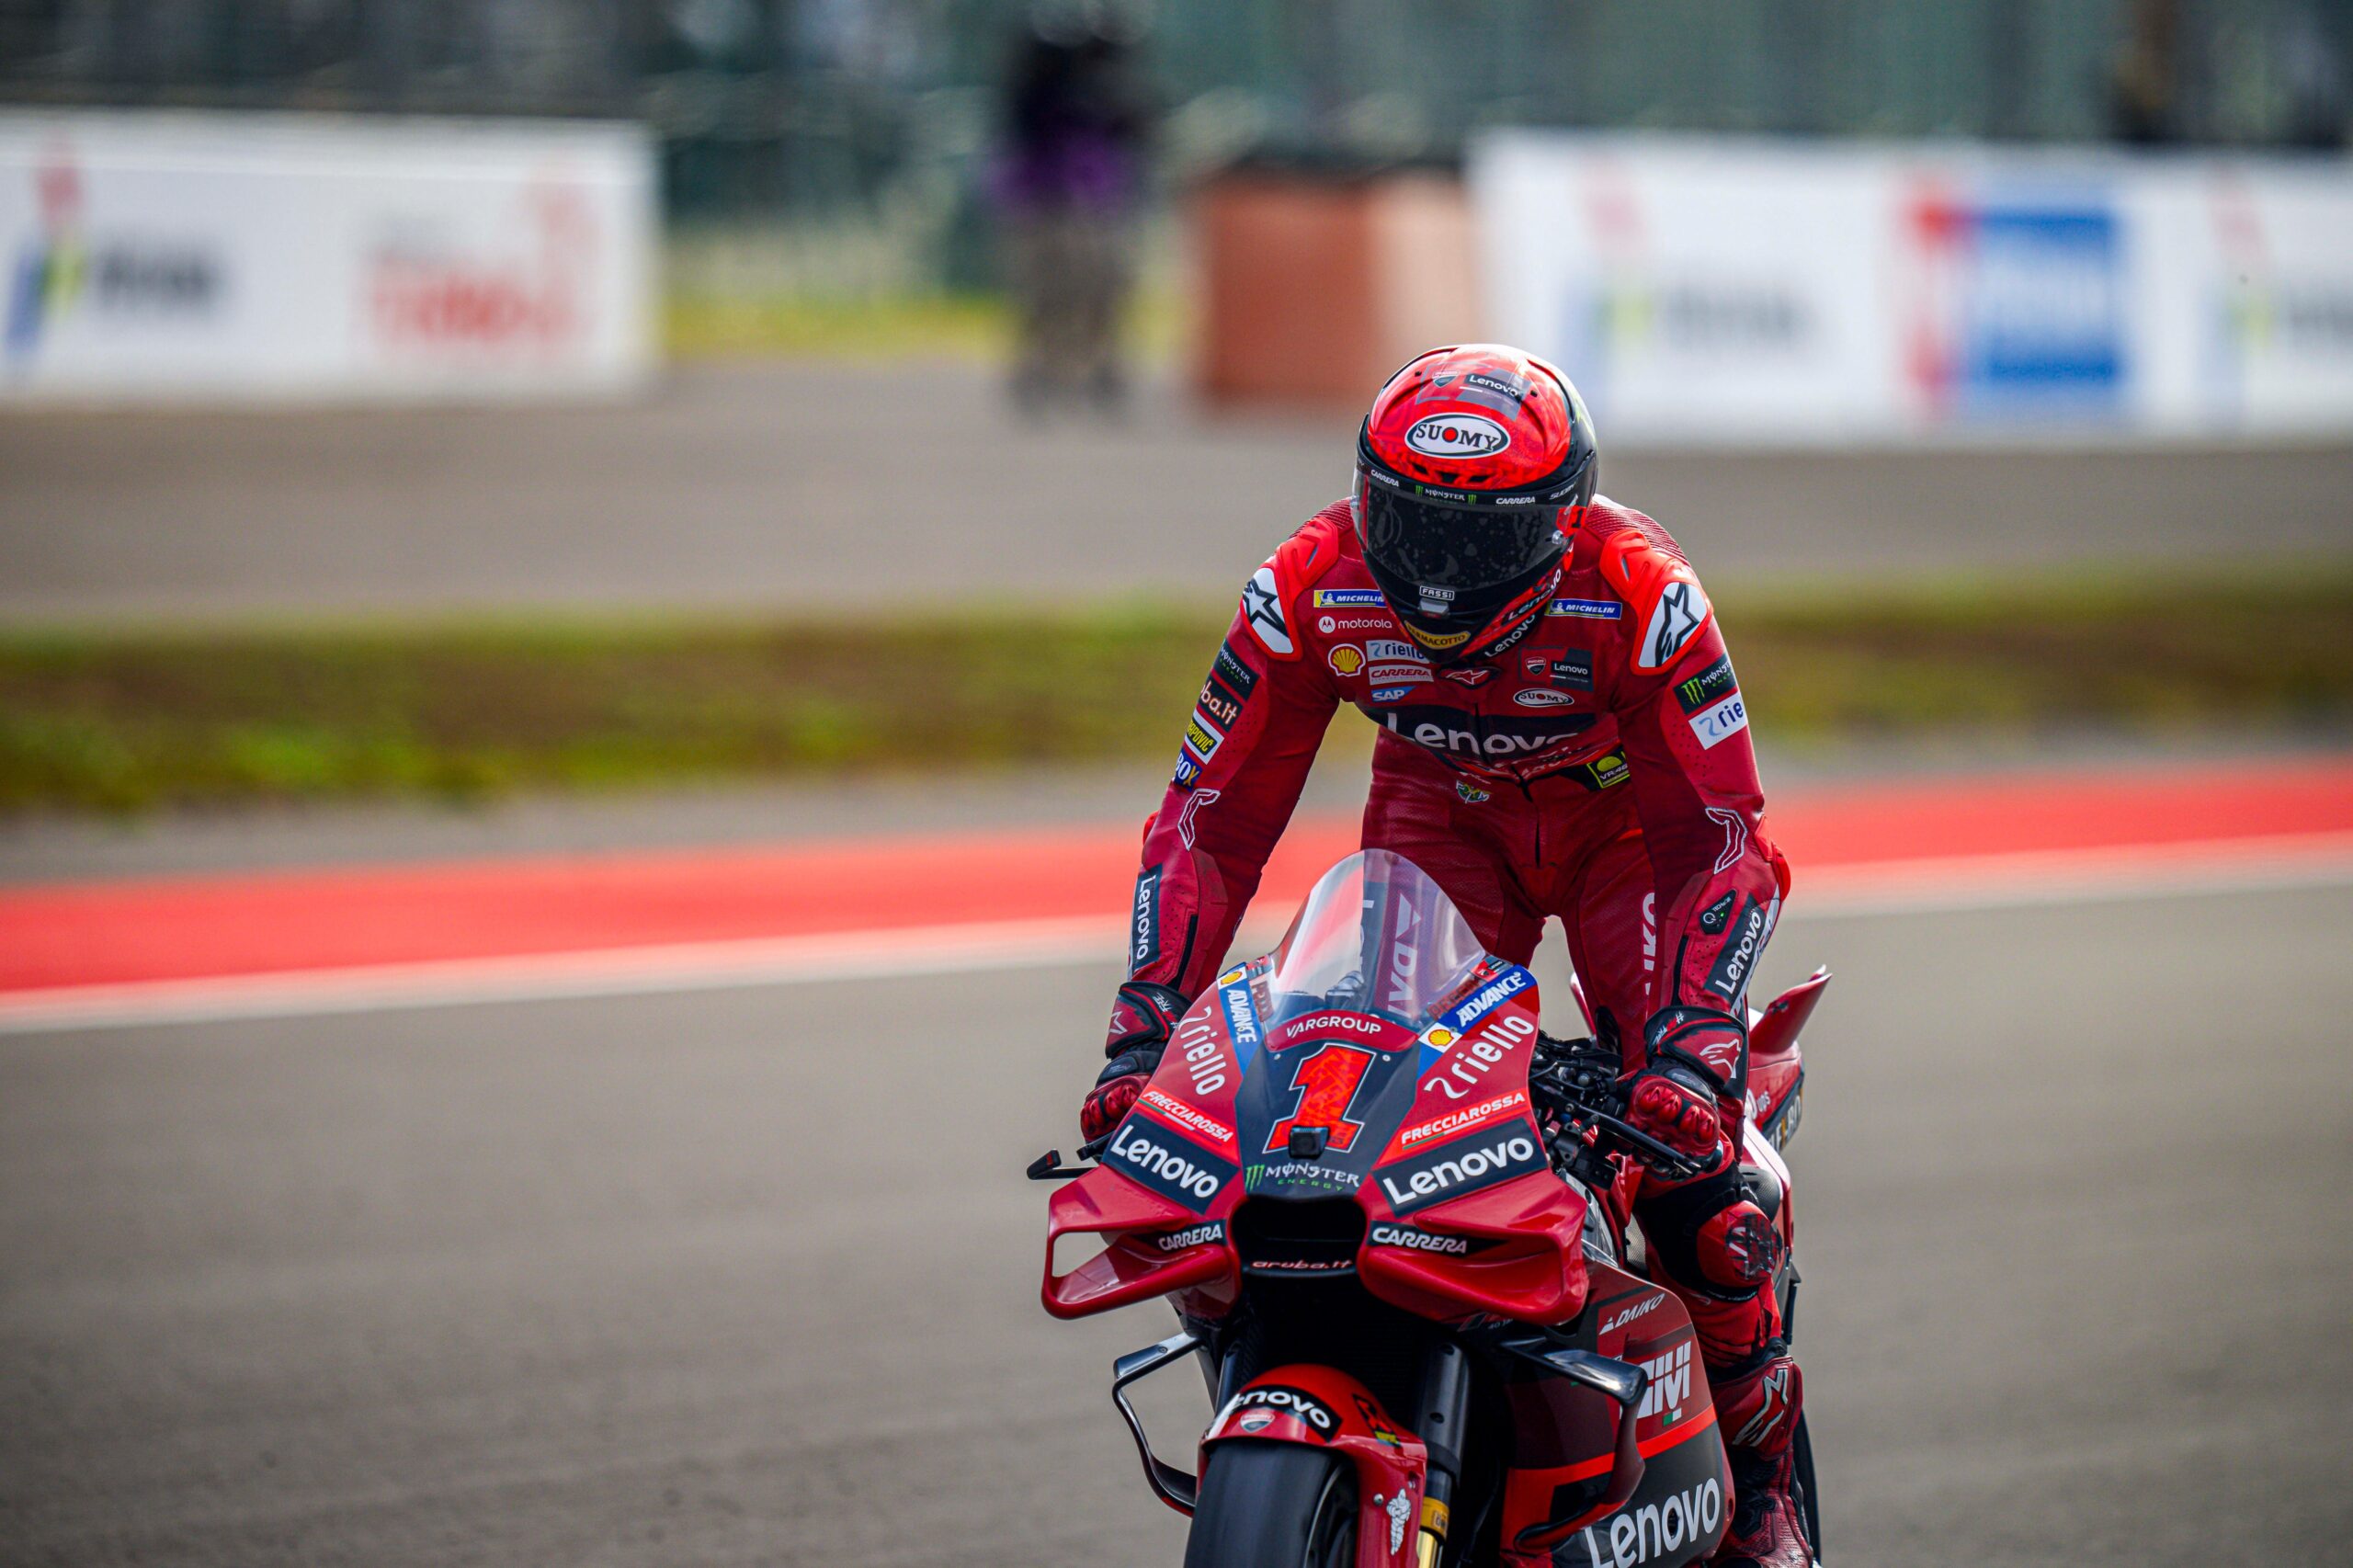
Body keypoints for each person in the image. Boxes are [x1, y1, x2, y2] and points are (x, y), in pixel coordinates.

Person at [1079, 344, 1812, 1568]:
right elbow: (1209, 815)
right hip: (1441, 820)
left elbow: (1721, 838)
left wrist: (1691, 1050)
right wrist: (1143, 1025)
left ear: (1563, 525)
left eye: (1472, 541)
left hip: (1626, 839)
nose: (1431, 573)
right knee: (1328, 1127)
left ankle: (1764, 1487)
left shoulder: (1644, 592)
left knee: (1700, 1189)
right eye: (1404, 525)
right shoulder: (1308, 583)